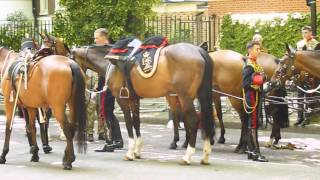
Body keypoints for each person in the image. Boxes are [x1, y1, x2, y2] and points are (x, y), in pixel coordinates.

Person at [94, 28, 123, 152]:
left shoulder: (109, 49)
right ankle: (117, 140)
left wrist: (103, 85)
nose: (94, 40)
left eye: (96, 38)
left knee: (106, 111)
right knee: (107, 112)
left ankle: (112, 140)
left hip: (108, 84)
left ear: (103, 38)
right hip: (104, 84)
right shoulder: (103, 50)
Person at [242, 41, 267, 162]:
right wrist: (259, 80)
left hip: (256, 95)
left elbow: (261, 78)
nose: (259, 51)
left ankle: (250, 151)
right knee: (253, 125)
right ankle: (255, 152)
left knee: (253, 124)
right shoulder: (249, 65)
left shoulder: (255, 63)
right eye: (257, 49)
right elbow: (245, 84)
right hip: (251, 97)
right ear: (250, 50)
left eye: (259, 49)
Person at [295, 26, 319, 126]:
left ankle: (307, 117)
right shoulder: (299, 44)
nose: (304, 34)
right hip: (301, 72)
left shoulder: (316, 44)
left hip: (311, 74)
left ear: (310, 33)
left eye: (306, 32)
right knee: (299, 95)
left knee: (309, 96)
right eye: (302, 32)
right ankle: (299, 116)